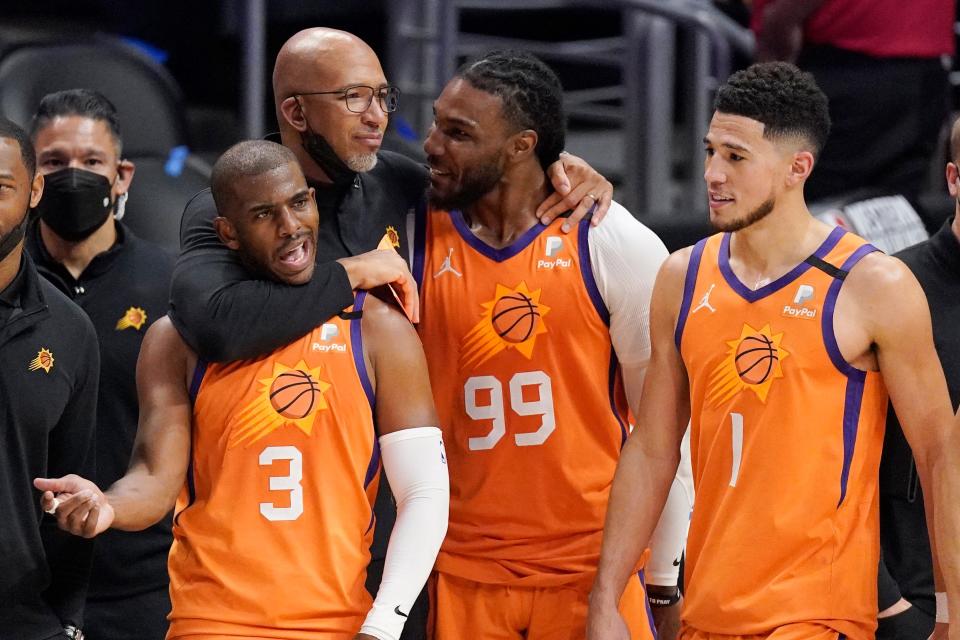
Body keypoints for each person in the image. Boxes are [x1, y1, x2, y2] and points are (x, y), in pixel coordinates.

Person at [169, 27, 614, 637]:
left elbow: (497, 171)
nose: (377, 116)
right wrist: (355, 272)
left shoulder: (400, 185)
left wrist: (557, 167)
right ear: (296, 111)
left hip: (403, 526)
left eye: (383, 95)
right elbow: (216, 322)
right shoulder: (229, 204)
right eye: (354, 98)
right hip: (277, 544)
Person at [586, 62, 958, 640]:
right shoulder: (681, 278)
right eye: (710, 151)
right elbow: (653, 448)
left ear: (796, 169)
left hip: (818, 618)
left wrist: (951, 613)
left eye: (736, 157)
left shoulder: (870, 284)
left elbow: (940, 457)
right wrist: (607, 597)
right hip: (707, 612)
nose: (712, 173)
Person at [36, 139, 449, 640]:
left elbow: (424, 492)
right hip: (209, 622)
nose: (291, 226)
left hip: (339, 623)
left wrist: (383, 625)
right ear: (227, 233)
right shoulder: (176, 339)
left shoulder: (377, 327)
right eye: (263, 214)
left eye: (299, 202)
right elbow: (153, 476)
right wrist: (107, 506)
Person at [412, 49, 692, 639]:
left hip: (592, 570)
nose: (433, 143)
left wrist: (665, 577)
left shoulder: (615, 242)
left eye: (458, 133)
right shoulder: (411, 229)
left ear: (521, 146)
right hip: (462, 568)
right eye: (436, 122)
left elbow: (665, 431)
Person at [23, 88, 175, 640]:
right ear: (32, 180)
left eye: (92, 162)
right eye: (54, 162)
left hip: (140, 581)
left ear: (123, 175)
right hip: (23, 587)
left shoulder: (171, 284)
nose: (74, 176)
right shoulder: (8, 286)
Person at [0, 117, 100, 640]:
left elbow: (70, 490)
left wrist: (68, 621)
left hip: (23, 618)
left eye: (0, 189)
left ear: (35, 190)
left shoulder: (69, 330)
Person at [875, 117, 960, 638]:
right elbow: (832, 465)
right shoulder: (891, 291)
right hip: (920, 605)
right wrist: (890, 606)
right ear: (953, 179)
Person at [751, 0, 953, 209]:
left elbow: (781, 18)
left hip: (847, 75)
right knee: (895, 214)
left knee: (815, 210)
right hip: (920, 77)